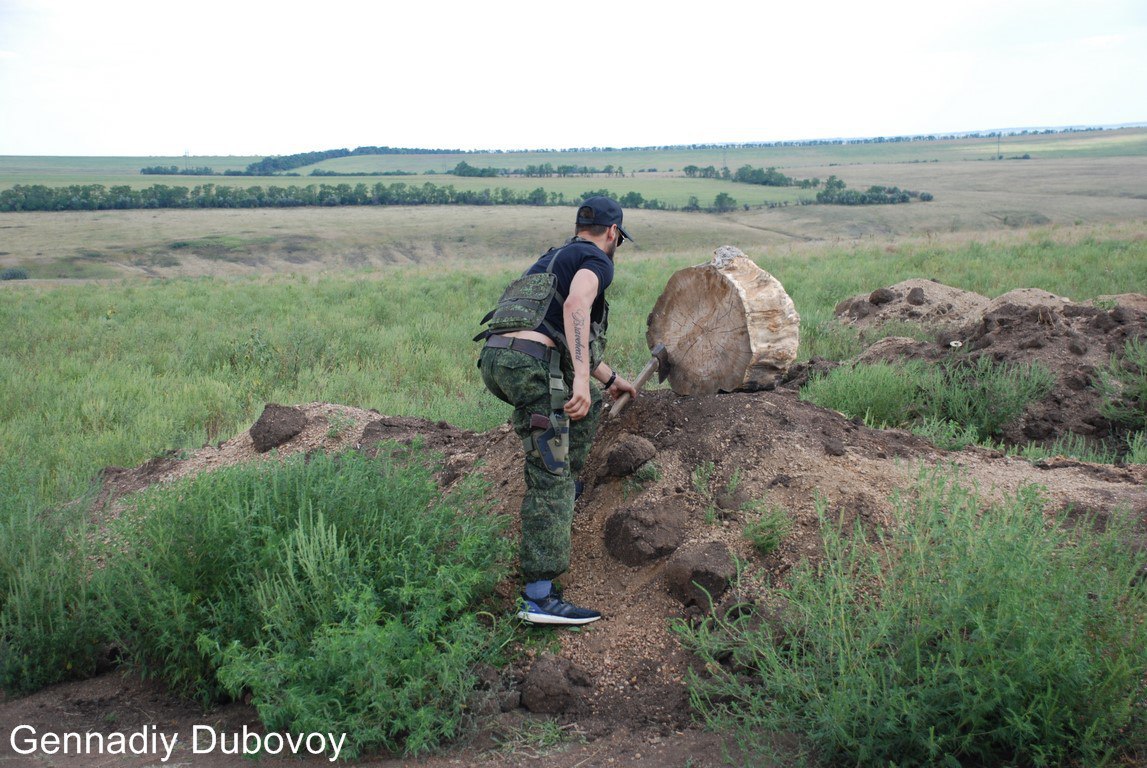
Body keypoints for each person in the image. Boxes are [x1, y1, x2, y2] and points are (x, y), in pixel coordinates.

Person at [476, 196, 638, 625]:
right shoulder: (597, 260)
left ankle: (569, 484)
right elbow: (574, 309)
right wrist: (582, 380)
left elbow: (554, 329)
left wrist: (605, 379)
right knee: (549, 470)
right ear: (612, 233)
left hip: (498, 360)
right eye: (617, 237)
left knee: (587, 412)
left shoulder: (555, 258)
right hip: (531, 365)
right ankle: (538, 598)